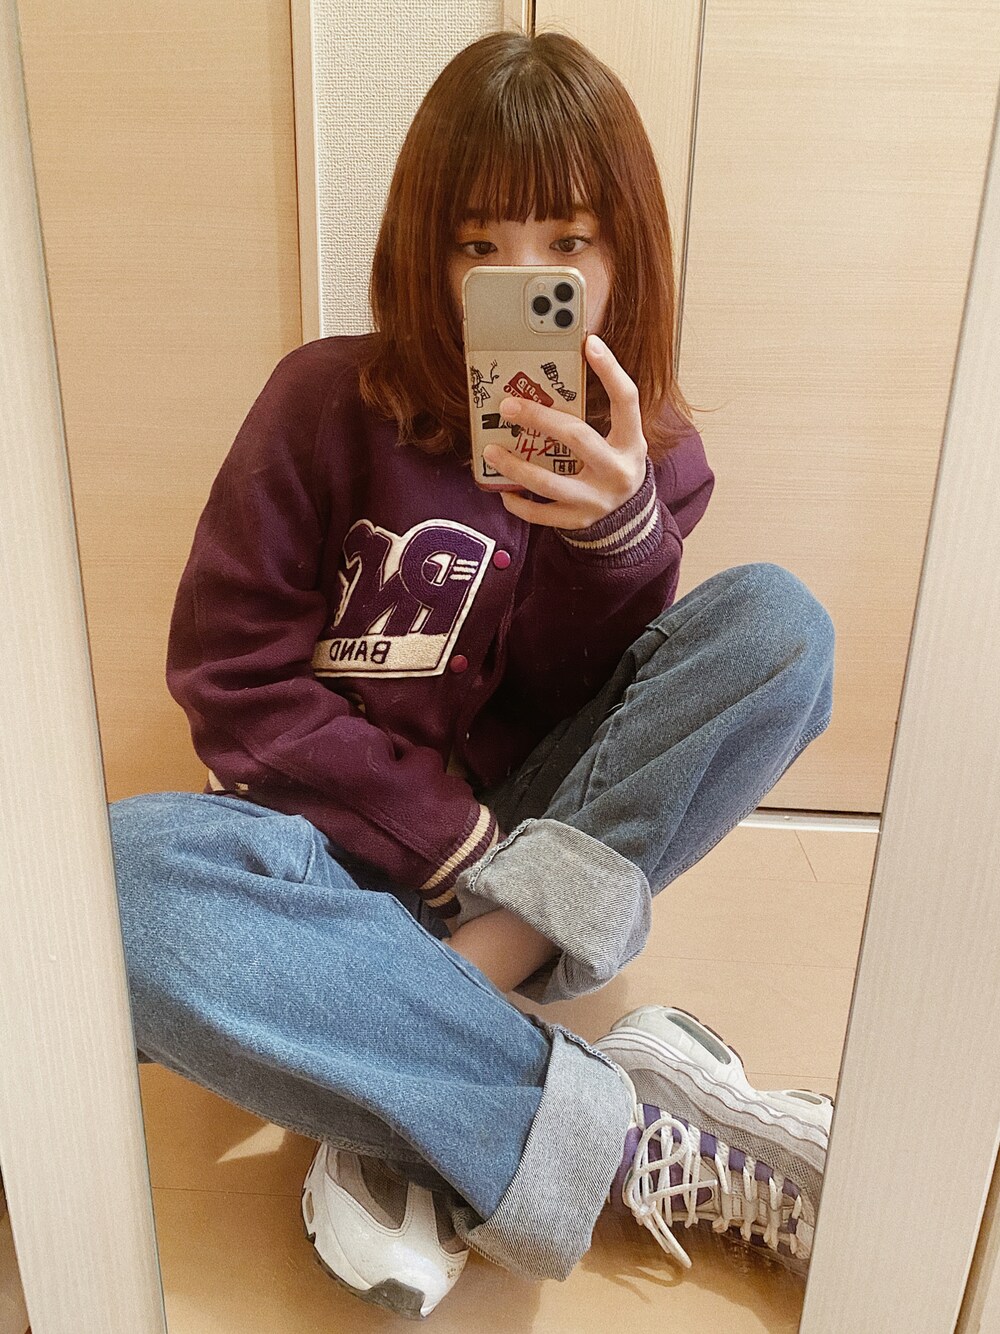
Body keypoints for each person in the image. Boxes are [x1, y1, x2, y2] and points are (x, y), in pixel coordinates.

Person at [108, 28, 835, 1320]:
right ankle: (619, 1132)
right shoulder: (319, 404)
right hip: (318, 854)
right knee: (113, 884)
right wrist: (441, 835)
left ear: (625, 256)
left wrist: (617, 546)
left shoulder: (652, 463)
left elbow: (592, 714)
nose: (519, 283)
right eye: (477, 245)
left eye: (567, 243)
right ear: (422, 249)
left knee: (781, 629)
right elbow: (232, 678)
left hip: (525, 866)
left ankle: (419, 1040)